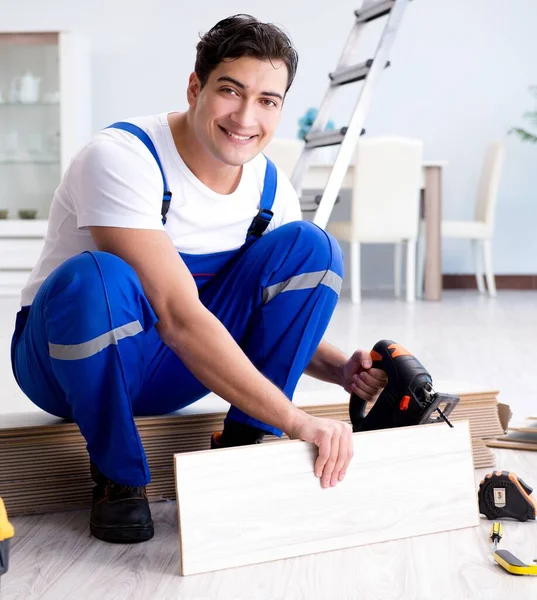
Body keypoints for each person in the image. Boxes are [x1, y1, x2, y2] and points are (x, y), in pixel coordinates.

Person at [10, 14, 386, 544]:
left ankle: (245, 446)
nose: (246, 117)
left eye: (267, 101)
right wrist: (303, 421)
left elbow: (243, 316)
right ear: (196, 87)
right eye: (231, 91)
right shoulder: (122, 157)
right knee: (99, 276)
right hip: (62, 363)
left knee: (313, 248)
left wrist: (338, 368)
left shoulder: (267, 187)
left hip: (174, 368)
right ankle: (118, 479)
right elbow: (180, 316)